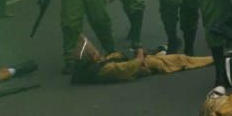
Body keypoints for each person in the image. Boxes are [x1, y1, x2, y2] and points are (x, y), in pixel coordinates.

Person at [69, 35, 216, 85]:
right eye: (92, 52)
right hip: (144, 66)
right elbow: (133, 65)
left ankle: (160, 51)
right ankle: (213, 59)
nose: (95, 51)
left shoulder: (94, 68)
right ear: (91, 59)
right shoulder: (106, 70)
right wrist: (140, 52)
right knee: (180, 59)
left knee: (159, 55)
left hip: (137, 62)